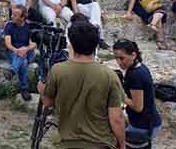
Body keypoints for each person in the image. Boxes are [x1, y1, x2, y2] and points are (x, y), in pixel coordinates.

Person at [40, 19, 126, 149]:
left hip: (68, 143)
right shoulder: (109, 75)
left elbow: (47, 102)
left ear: (72, 44)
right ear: (95, 45)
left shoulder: (58, 70)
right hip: (101, 143)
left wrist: (41, 89)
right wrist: (122, 144)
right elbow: (116, 118)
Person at [113, 39, 162, 145]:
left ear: (133, 55)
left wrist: (119, 95)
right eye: (116, 58)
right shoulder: (140, 67)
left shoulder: (135, 75)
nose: (119, 62)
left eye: (122, 58)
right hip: (150, 121)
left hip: (142, 126)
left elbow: (138, 107)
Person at [4, 4, 36, 101]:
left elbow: (33, 44)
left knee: (24, 57)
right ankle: (24, 89)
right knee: (24, 62)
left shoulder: (29, 26)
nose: (12, 16)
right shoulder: (9, 25)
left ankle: (12, 71)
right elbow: (8, 44)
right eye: (12, 14)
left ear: (22, 17)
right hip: (13, 52)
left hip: (28, 52)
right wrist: (17, 50)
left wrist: (25, 49)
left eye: (15, 15)